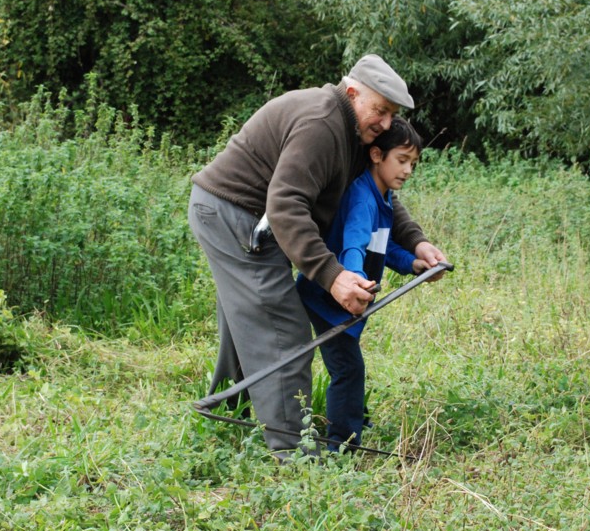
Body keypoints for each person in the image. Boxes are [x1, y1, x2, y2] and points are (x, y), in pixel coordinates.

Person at [188, 54, 446, 459]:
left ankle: (232, 410)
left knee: (250, 321)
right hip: (231, 213)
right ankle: (294, 456)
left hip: (255, 220)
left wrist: (415, 242)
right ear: (351, 92)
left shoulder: (355, 134)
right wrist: (333, 275)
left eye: (391, 115)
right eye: (379, 110)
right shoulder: (323, 124)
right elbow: (287, 204)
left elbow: (376, 191)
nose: (384, 124)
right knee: (282, 330)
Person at [296, 118, 426, 451]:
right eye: (402, 160)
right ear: (377, 154)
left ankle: (351, 416)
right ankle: (342, 443)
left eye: (413, 163)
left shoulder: (381, 198)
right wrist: (353, 276)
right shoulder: (362, 198)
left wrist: (412, 263)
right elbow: (354, 243)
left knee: (348, 365)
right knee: (348, 369)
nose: (408, 170)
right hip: (329, 299)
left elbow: (381, 246)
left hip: (345, 300)